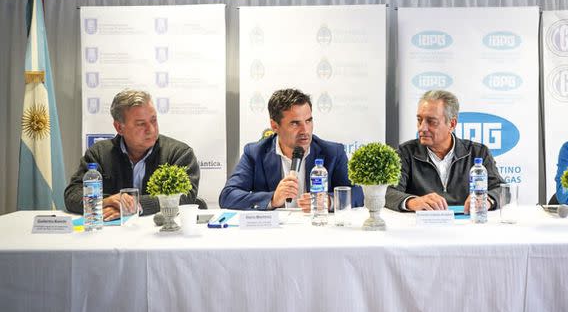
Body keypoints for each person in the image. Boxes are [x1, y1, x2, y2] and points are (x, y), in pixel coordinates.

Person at [64, 89, 201, 220]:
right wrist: (105, 201)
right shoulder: (99, 153)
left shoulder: (179, 153)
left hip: (159, 233)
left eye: (153, 120)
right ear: (119, 127)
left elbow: (185, 196)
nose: (151, 129)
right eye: (141, 124)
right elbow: (72, 195)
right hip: (112, 236)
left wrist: (134, 205)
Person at [219, 88, 362, 210]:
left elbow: (357, 194)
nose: (305, 130)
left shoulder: (333, 153)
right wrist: (273, 199)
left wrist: (329, 201)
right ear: (275, 126)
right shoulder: (255, 153)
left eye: (308, 121)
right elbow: (228, 196)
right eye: (295, 123)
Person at [385, 90, 502, 212]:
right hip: (422, 228)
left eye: (432, 122)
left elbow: (502, 189)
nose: (422, 128)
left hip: (467, 226)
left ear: (452, 124)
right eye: (419, 120)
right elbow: (387, 192)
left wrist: (486, 200)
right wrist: (412, 201)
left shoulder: (478, 152)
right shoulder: (405, 153)